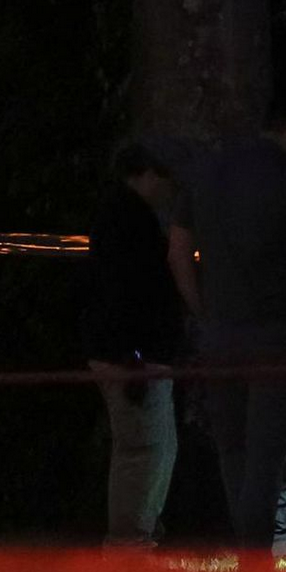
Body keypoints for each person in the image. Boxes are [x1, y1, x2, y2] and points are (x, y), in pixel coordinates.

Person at [167, 101, 286, 549]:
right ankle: (254, 556)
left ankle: (246, 550)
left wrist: (203, 310)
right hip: (276, 332)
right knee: (267, 455)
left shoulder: (204, 175)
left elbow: (177, 253)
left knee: (232, 449)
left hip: (220, 334)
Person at [85, 143, 185, 548]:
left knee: (152, 449)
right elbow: (129, 293)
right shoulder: (130, 220)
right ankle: (130, 544)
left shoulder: (119, 215)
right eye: (163, 178)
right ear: (145, 173)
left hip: (130, 352)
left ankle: (138, 537)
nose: (167, 189)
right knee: (144, 450)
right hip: (134, 355)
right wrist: (135, 354)